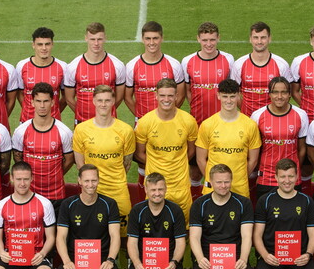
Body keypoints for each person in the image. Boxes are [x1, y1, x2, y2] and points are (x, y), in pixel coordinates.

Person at [134, 78, 198, 219]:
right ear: (156, 96)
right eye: (162, 95)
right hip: (155, 185)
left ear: (176, 96)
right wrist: (159, 163)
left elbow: (192, 151)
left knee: (184, 226)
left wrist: (175, 162)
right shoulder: (145, 122)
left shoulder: (188, 121)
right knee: (154, 225)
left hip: (180, 185)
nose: (166, 99)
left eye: (170, 95)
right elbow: (139, 153)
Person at [73, 85, 136, 227]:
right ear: (93, 101)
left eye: (107, 100)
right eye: (100, 100)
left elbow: (127, 163)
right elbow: (80, 164)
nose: (103, 104)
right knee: (93, 229)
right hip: (93, 189)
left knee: (124, 232)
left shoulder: (126, 130)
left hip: (118, 189)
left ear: (113, 101)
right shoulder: (81, 130)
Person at [12, 82, 75, 209]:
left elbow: (69, 160)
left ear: (52, 102)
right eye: (38, 101)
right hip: (29, 193)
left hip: (56, 194)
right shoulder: (21, 131)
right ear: (32, 102)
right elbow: (18, 158)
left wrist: (55, 175)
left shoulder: (64, 132)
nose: (42, 106)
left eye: (46, 101)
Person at [195, 79, 261, 198]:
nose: (229, 101)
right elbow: (200, 159)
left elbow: (253, 160)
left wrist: (240, 177)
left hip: (239, 188)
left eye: (232, 96)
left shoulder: (250, 125)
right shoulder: (207, 124)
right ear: (218, 96)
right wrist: (214, 180)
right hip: (212, 189)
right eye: (225, 96)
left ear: (239, 96)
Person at [250, 77, 309, 200]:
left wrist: (295, 169)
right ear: (269, 94)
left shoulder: (301, 115)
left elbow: (302, 148)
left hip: (291, 178)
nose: (279, 96)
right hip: (266, 177)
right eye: (275, 92)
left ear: (289, 94)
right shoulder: (257, 116)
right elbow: (255, 150)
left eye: (284, 92)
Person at [64, 22, 126, 123]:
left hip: (109, 123)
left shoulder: (117, 65)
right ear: (86, 38)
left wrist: (106, 112)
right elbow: (69, 99)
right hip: (82, 123)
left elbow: (119, 97)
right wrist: (81, 113)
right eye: (92, 39)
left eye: (99, 39)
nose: (96, 43)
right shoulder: (73, 66)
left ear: (105, 38)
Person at [125, 21, 184, 121]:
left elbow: (181, 95)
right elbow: (127, 97)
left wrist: (168, 114)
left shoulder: (174, 64)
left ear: (162, 38)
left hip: (167, 121)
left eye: (155, 38)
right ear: (142, 39)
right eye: (148, 38)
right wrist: (140, 116)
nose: (151, 43)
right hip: (142, 122)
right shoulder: (132, 65)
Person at [180, 22, 234, 125]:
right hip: (197, 119)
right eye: (204, 40)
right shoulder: (187, 61)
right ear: (198, 39)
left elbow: (232, 90)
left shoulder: (228, 59)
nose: (208, 44)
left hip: (223, 120)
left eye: (212, 40)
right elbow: (187, 91)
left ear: (218, 38)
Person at [232, 21, 291, 116]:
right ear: (250, 39)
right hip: (248, 119)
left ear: (269, 39)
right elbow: (234, 93)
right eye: (256, 37)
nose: (259, 41)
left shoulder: (281, 64)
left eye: (263, 37)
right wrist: (245, 109)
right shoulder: (239, 64)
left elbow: (287, 94)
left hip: (273, 119)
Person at [16, 27, 67, 123]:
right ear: (33, 45)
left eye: (47, 44)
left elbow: (66, 97)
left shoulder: (62, 67)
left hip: (54, 121)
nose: (44, 48)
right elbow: (19, 93)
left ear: (52, 44)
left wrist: (53, 110)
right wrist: (29, 108)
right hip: (27, 121)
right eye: (40, 44)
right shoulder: (21, 66)